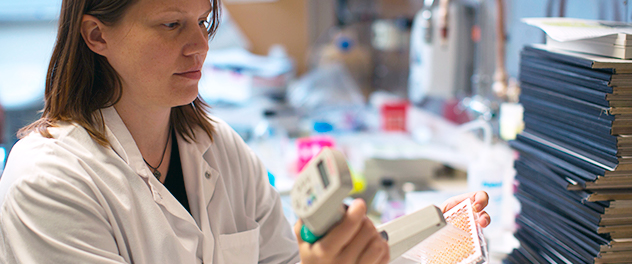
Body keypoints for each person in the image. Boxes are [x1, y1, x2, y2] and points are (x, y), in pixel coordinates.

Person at [0, 0, 491, 263]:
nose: (199, 46)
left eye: (202, 20)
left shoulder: (219, 149)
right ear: (96, 35)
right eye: (172, 24)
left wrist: (422, 245)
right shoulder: (49, 182)